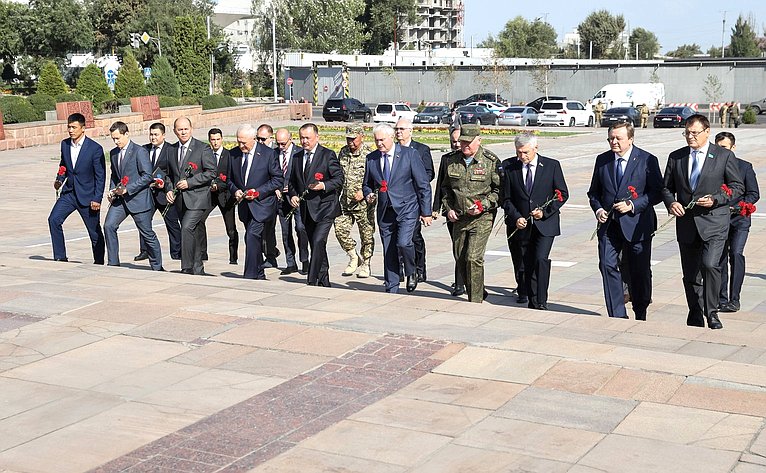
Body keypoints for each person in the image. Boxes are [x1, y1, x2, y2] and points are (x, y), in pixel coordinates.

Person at [661, 114, 744, 329]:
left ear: (707, 132)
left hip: (714, 222)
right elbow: (666, 188)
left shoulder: (723, 156)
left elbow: (737, 187)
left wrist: (717, 199)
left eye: (694, 133)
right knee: (690, 274)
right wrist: (671, 203)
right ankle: (695, 312)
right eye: (687, 132)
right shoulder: (676, 157)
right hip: (687, 224)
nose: (690, 136)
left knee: (709, 265)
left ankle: (712, 311)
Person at [587, 122, 663, 320]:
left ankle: (641, 310)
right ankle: (617, 314)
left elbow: (656, 193)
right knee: (607, 265)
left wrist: (633, 204)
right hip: (609, 224)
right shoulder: (602, 160)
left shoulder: (647, 160)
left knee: (639, 269)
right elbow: (594, 192)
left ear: (631, 139)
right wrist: (598, 209)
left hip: (637, 225)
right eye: (610, 138)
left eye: (618, 138)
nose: (613, 142)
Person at [502, 133, 569, 310]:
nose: (522, 156)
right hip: (520, 225)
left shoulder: (551, 166)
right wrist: (516, 217)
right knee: (524, 263)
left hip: (545, 224)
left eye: (525, 152)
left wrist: (545, 212)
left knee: (540, 260)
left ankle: (541, 300)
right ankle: (529, 296)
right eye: (518, 152)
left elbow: (562, 194)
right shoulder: (509, 167)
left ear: (535, 148)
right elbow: (506, 198)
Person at [362, 123, 432, 294]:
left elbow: (423, 184)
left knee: (404, 242)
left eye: (382, 140)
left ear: (391, 137)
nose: (379, 144)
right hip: (385, 210)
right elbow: (367, 184)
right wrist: (369, 194)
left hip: (408, 207)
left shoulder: (409, 154)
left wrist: (426, 212)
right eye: (376, 140)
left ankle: (411, 271)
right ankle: (391, 285)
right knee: (389, 248)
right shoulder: (372, 158)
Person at [439, 124, 500, 303]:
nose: (464, 146)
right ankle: (477, 289)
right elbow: (445, 189)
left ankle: (475, 300)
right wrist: (448, 209)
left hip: (482, 217)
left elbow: (499, 191)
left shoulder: (490, 161)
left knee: (473, 257)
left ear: (479, 141)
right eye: (461, 142)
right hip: (459, 217)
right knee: (460, 257)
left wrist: (483, 205)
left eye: (468, 143)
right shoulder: (452, 160)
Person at [288, 123, 344, 287]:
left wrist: (324, 185)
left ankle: (311, 279)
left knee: (319, 241)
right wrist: (292, 195)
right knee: (316, 244)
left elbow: (339, 179)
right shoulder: (297, 157)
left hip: (325, 207)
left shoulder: (327, 155)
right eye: (302, 138)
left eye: (308, 138)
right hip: (307, 209)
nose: (304, 141)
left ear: (317, 137)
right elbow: (292, 181)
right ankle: (324, 279)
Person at [103, 121, 163, 271]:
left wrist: (128, 189)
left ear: (126, 134)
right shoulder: (114, 153)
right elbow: (115, 175)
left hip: (139, 199)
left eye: (118, 138)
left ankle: (157, 266)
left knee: (147, 233)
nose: (116, 142)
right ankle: (113, 263)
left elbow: (147, 176)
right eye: (113, 139)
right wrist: (112, 190)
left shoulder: (139, 151)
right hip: (120, 200)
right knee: (109, 226)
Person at [227, 124, 283, 279]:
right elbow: (229, 179)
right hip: (245, 206)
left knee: (251, 235)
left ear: (254, 139)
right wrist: (235, 190)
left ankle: (250, 274)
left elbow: (278, 179)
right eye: (238, 141)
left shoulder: (268, 154)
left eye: (244, 142)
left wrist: (258, 192)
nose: (241, 145)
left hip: (262, 205)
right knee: (252, 238)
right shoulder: (233, 154)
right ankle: (259, 272)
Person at [48, 113, 106, 264]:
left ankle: (99, 261)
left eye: (74, 127)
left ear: (83, 128)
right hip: (69, 193)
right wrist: (59, 179)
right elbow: (64, 165)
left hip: (88, 196)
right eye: (69, 127)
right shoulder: (65, 144)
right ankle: (60, 256)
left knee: (94, 232)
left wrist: (97, 198)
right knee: (54, 219)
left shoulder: (95, 149)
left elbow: (100, 176)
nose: (71, 130)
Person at [165, 116, 216, 275]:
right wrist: (168, 189)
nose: (183, 132)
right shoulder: (171, 150)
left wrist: (190, 182)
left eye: (186, 129)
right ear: (175, 131)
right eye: (180, 130)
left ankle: (186, 266)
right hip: (180, 200)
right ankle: (198, 268)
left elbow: (211, 172)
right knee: (191, 232)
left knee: (186, 228)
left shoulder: (202, 148)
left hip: (198, 199)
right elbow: (167, 174)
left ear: (191, 129)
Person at [715, 132, 759, 313]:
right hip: (719, 219)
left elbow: (753, 193)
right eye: (717, 147)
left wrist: (740, 207)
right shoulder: (713, 167)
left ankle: (735, 298)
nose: (720, 151)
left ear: (733, 148)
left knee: (736, 253)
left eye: (724, 147)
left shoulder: (744, 167)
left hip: (739, 219)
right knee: (721, 258)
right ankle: (722, 298)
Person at [134, 122, 181, 262]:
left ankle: (177, 251)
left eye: (156, 134)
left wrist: (168, 187)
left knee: (172, 223)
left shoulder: (171, 150)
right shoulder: (144, 150)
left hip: (164, 194)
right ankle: (145, 250)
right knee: (143, 221)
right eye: (151, 134)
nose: (153, 137)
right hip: (147, 193)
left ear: (163, 135)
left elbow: (174, 173)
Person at [395, 117, 434, 282]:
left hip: (414, 201)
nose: (398, 132)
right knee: (397, 238)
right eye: (396, 129)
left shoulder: (421, 149)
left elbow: (429, 174)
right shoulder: (393, 149)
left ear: (410, 131)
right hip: (396, 201)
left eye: (402, 129)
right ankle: (400, 269)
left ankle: (419, 268)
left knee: (414, 237)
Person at [334, 124, 375, 278]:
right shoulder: (343, 152)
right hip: (345, 201)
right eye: (348, 138)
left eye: (354, 139)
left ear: (362, 137)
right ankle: (353, 256)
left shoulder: (370, 154)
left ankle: (366, 263)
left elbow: (376, 179)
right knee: (340, 230)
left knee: (367, 235)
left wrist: (364, 193)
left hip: (364, 204)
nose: (350, 142)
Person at [433, 127, 466, 296]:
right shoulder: (447, 160)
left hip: (471, 210)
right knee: (457, 246)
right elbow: (441, 184)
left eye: (459, 140)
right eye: (453, 141)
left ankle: (468, 280)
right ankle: (459, 284)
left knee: (470, 250)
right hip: (451, 210)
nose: (455, 144)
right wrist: (436, 208)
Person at [274, 128, 309, 275]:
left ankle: (305, 260)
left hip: (297, 198)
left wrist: (295, 190)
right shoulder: (274, 154)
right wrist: (275, 188)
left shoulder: (300, 153)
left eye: (283, 143)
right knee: (285, 231)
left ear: (291, 139)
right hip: (280, 199)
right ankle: (290, 263)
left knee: (301, 229)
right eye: (278, 143)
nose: (281, 147)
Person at [205, 128, 239, 265]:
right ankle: (202, 253)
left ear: (222, 139)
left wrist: (219, 185)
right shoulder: (206, 154)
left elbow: (232, 177)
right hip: (210, 195)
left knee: (231, 229)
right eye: (213, 140)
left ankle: (233, 257)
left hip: (225, 196)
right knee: (199, 220)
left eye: (218, 139)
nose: (215, 142)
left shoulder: (229, 155)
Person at [257, 124, 280, 268]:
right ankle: (270, 255)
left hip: (278, 195)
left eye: (263, 139)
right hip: (263, 197)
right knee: (264, 230)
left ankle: (272, 254)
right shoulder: (257, 151)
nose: (260, 142)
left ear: (271, 138)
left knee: (271, 230)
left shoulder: (275, 152)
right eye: (257, 138)